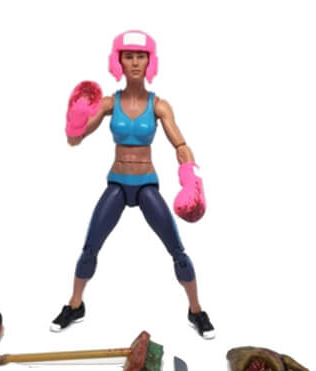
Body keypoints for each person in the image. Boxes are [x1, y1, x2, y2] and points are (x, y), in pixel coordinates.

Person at [51, 31, 214, 338]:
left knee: (177, 250)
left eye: (141, 56)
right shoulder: (109, 103)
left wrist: (191, 180)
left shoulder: (159, 106)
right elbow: (74, 139)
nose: (135, 63)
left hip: (146, 185)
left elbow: (180, 145)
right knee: (90, 247)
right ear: (119, 62)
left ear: (150, 62)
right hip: (117, 183)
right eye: (129, 57)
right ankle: (75, 305)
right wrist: (75, 117)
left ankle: (196, 311)